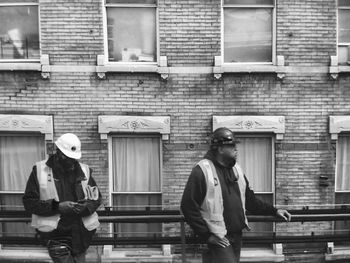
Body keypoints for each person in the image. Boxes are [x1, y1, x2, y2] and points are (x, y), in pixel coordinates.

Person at [180, 127, 291, 263]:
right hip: (218, 238)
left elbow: (251, 201)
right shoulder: (202, 170)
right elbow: (188, 206)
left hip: (236, 236)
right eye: (232, 145)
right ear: (220, 149)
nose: (236, 149)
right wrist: (207, 236)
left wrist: (274, 210)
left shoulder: (236, 169)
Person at [23, 133, 102, 263]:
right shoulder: (40, 170)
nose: (71, 161)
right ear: (58, 152)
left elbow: (96, 198)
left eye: (73, 158)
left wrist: (85, 207)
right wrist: (57, 207)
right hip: (56, 236)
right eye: (67, 157)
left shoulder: (84, 171)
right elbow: (29, 203)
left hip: (81, 236)